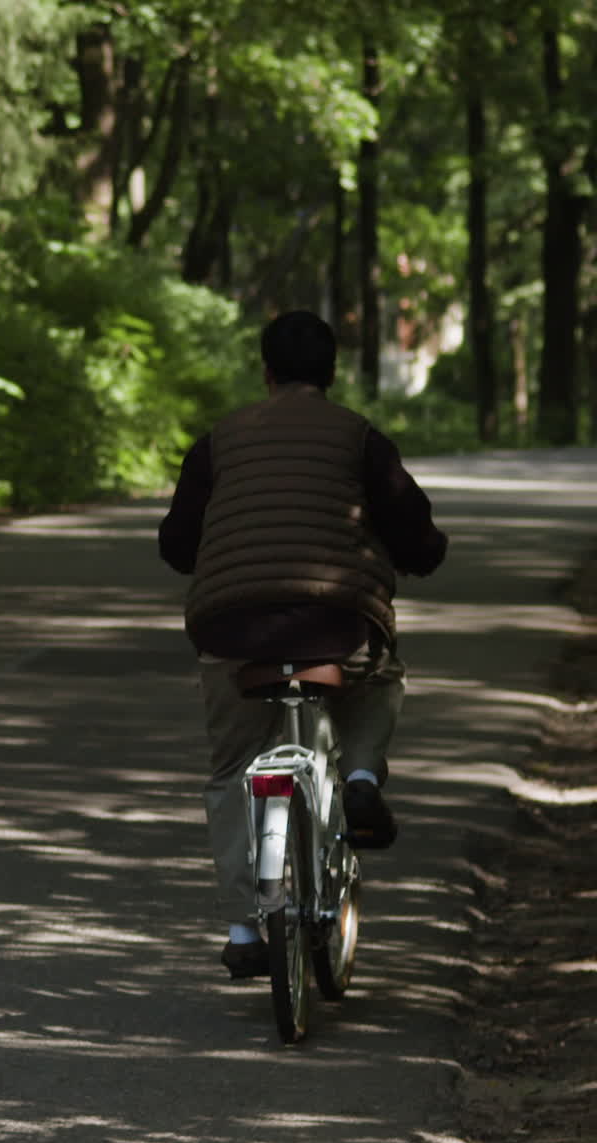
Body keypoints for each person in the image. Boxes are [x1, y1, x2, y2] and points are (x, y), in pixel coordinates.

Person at [158, 310, 447, 979]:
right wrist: (422, 556)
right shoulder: (359, 438)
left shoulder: (218, 442)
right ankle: (364, 779)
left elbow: (177, 545)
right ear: (332, 372)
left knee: (234, 770)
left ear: (266, 372)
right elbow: (414, 529)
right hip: (337, 623)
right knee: (376, 677)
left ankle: (241, 929)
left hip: (231, 629)